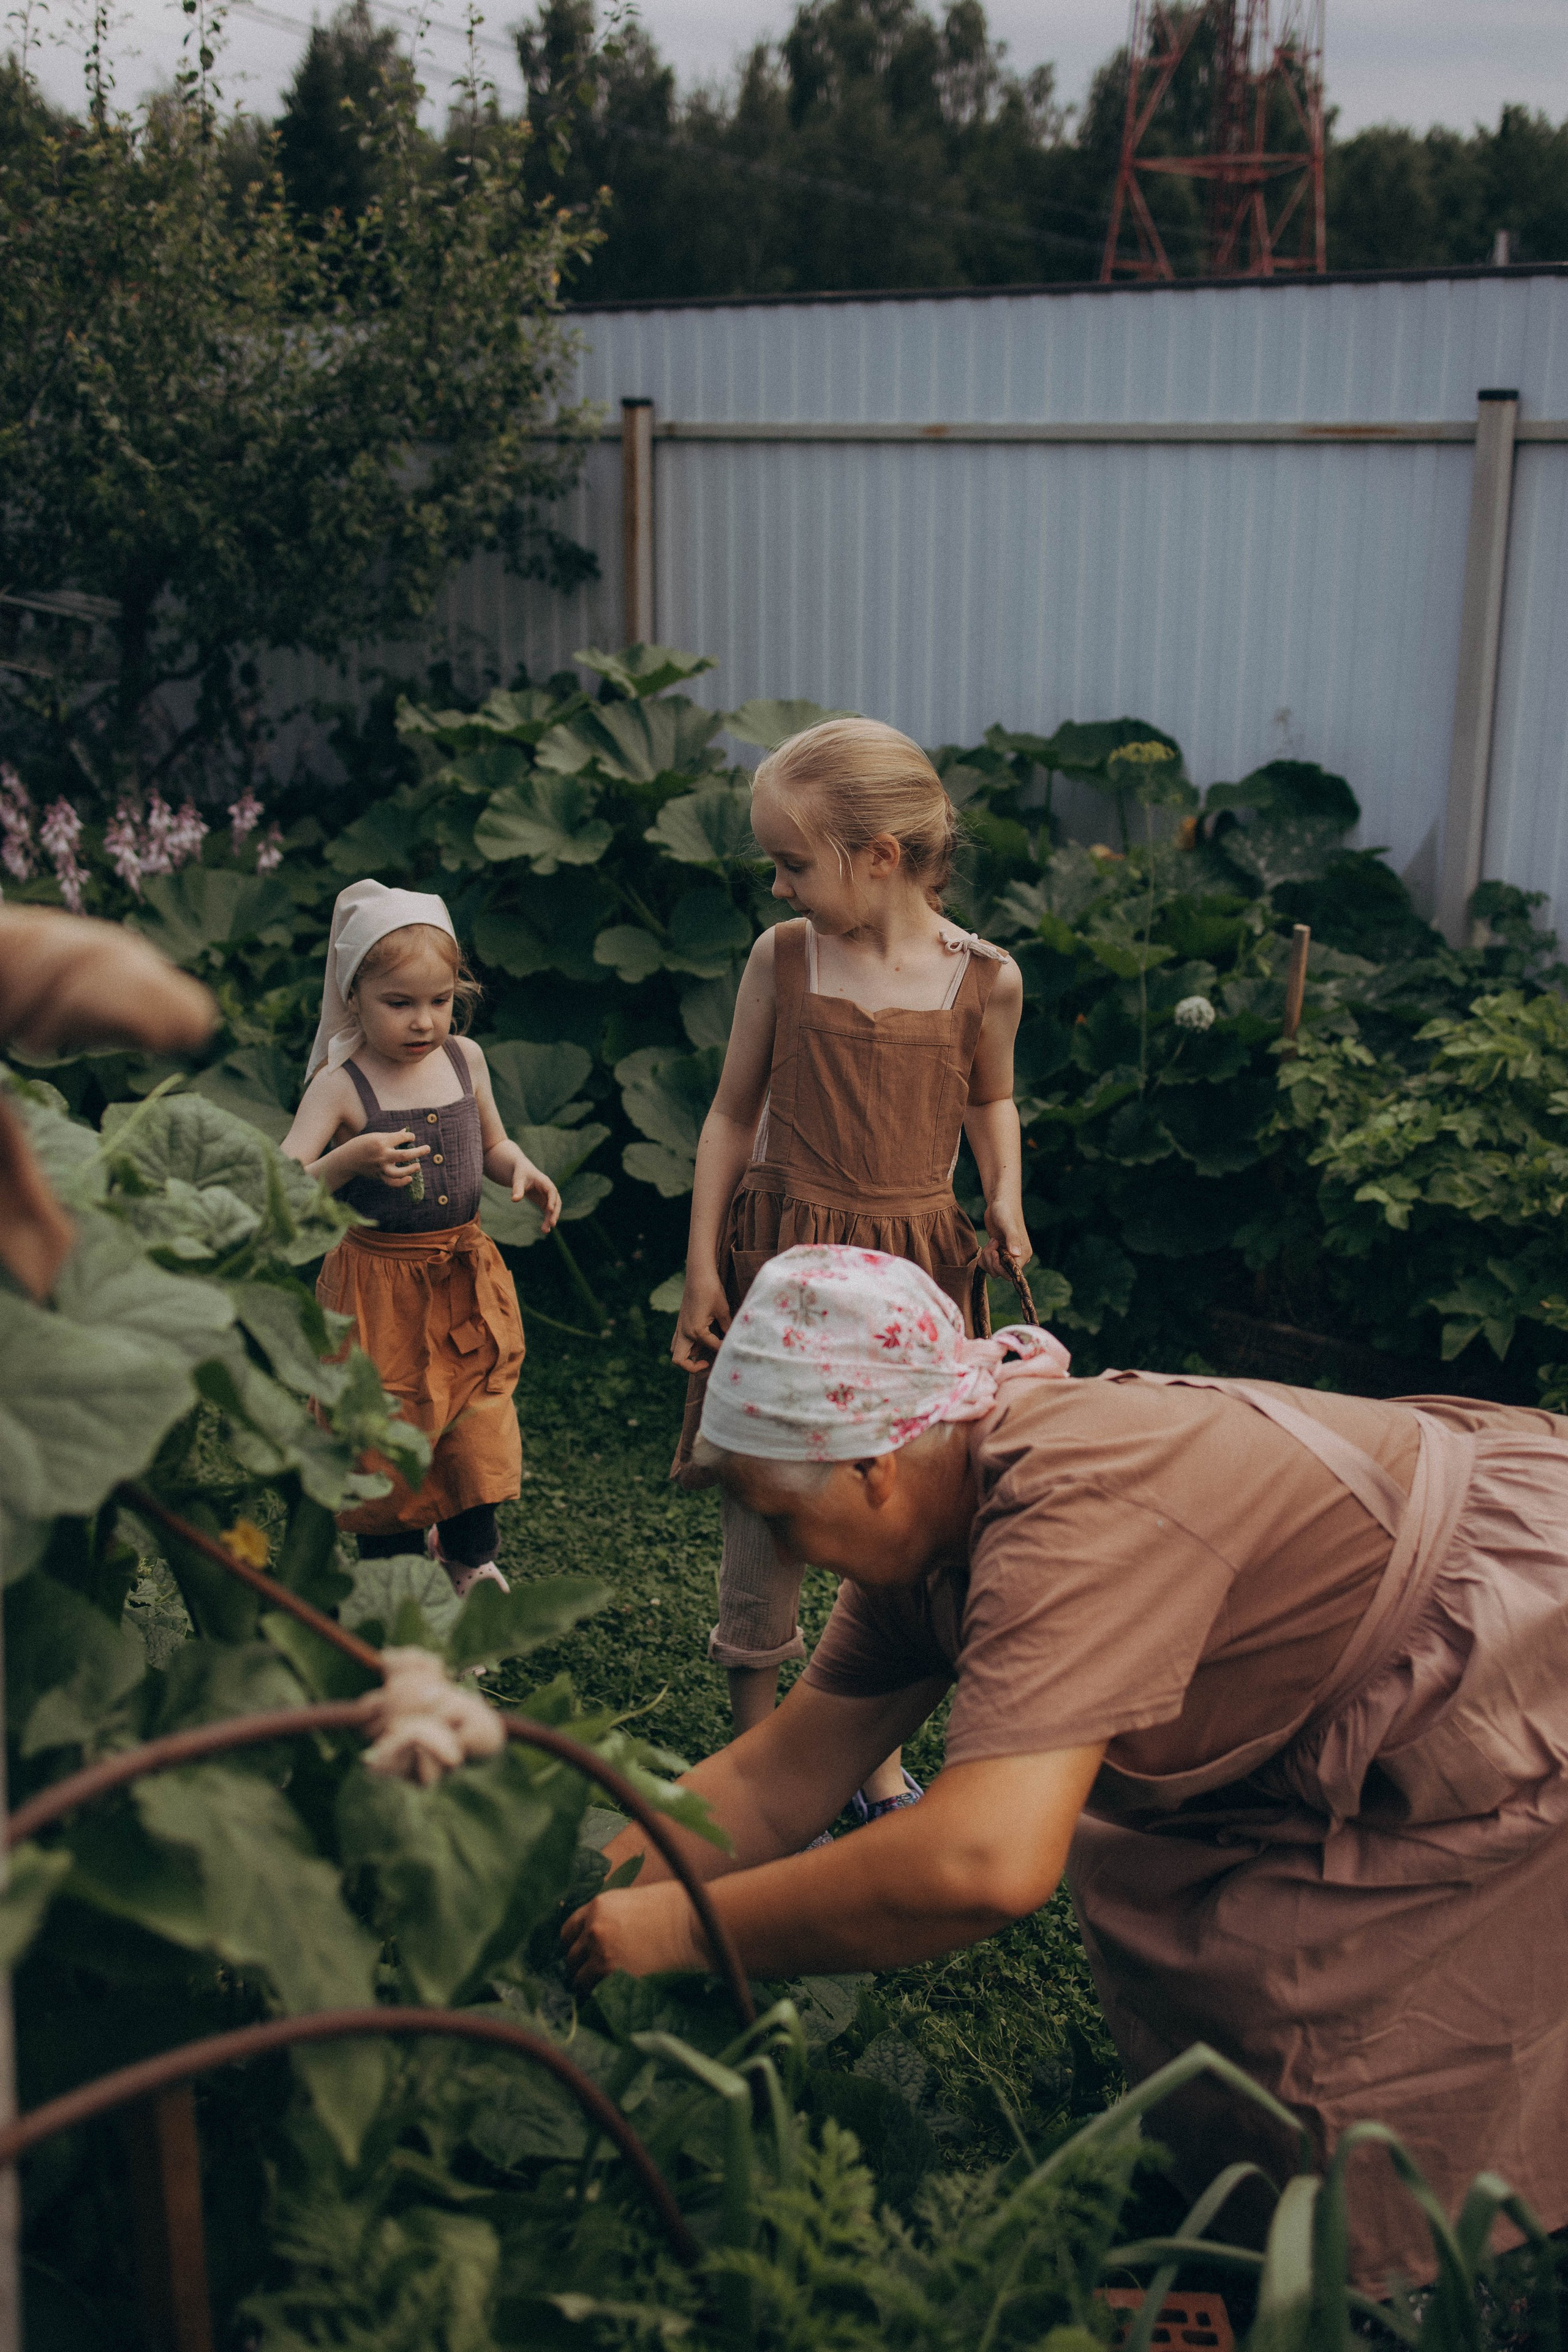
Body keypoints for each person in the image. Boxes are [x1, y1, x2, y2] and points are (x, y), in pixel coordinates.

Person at [566, 1243, 1568, 2288]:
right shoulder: (926, 1519)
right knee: (1245, 1962)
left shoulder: (1074, 1510)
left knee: (1370, 2006)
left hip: (1501, 1636)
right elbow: (781, 1775)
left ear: (871, 1468)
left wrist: (682, 1931)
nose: (778, 1550)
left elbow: (985, 1862)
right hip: (1342, 1667)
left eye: (778, 1516)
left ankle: (1408, 2285)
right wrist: (580, 1902)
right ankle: (1271, 2225)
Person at [671, 717, 1031, 1822]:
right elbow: (733, 1115)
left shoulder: (988, 979)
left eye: (792, 863)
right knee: (769, 1513)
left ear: (879, 856)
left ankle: (863, 1753)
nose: (778, 888)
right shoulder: (784, 960)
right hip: (788, 1272)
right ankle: (758, 1749)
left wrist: (1004, 1192)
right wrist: (700, 1266)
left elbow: (988, 1097)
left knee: (903, 1513)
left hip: (916, 1272)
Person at [282, 881, 560, 1597]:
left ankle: (471, 1559)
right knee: (382, 1436)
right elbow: (283, 1185)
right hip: (377, 1293)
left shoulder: (466, 1059)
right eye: (398, 1003)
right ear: (355, 997)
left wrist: (520, 1169)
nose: (423, 1022)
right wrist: (347, 1161)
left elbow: (493, 1143)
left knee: (477, 1427)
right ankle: (399, 1581)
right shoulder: (340, 1087)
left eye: (439, 1001)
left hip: (463, 1279)